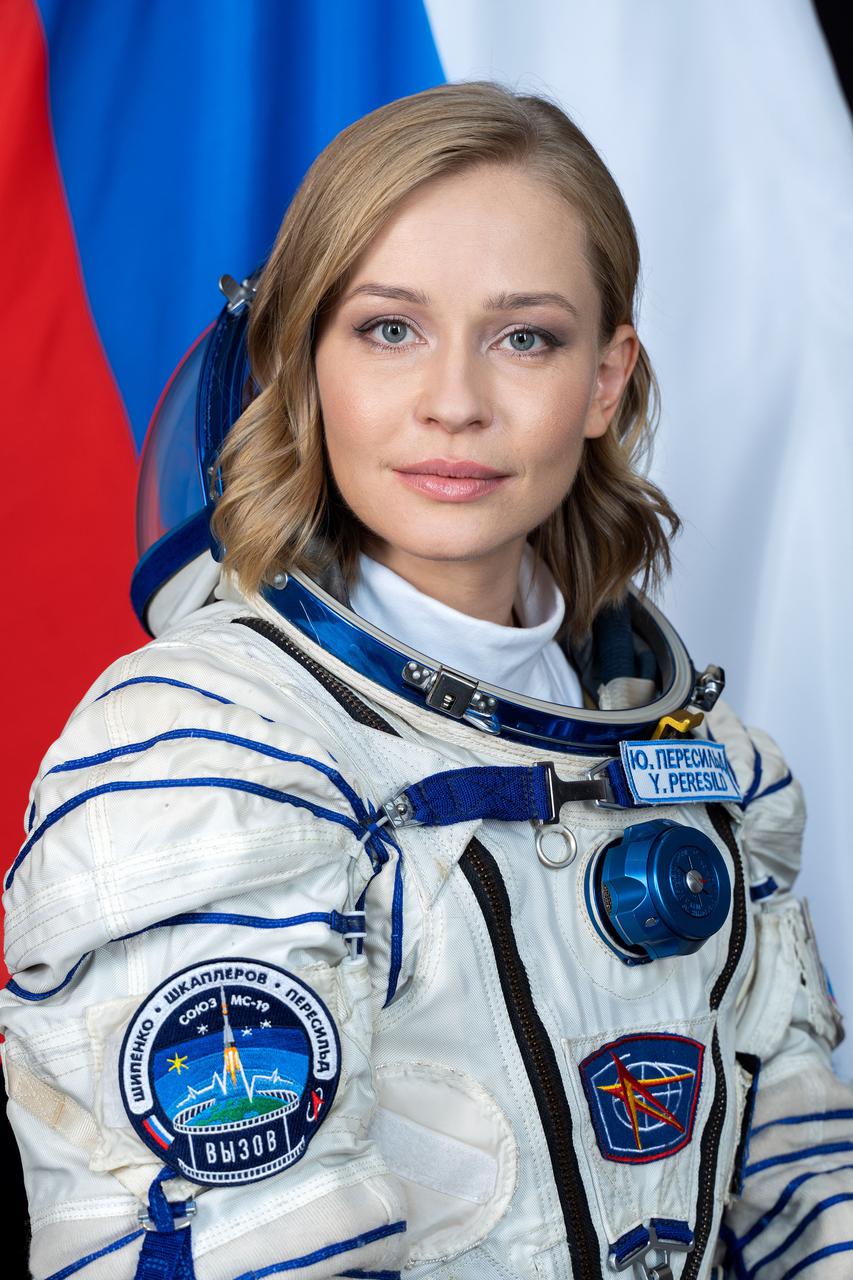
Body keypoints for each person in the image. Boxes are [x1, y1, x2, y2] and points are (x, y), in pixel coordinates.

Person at [2, 81, 851, 1280]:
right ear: (302, 364)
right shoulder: (208, 759)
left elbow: (809, 1201)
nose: (454, 402)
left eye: (525, 337)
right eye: (389, 328)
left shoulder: (714, 772)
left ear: (605, 381)